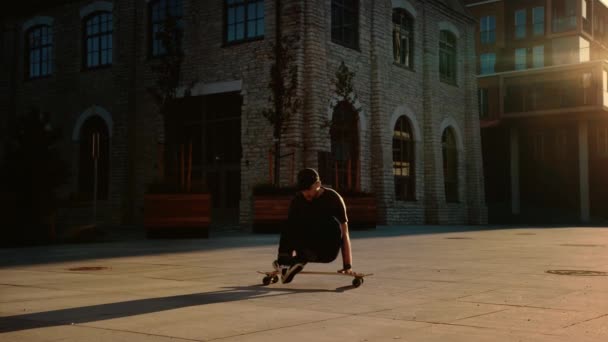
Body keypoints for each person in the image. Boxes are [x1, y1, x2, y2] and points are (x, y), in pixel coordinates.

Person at [273, 168, 353, 283]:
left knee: (331, 223)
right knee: (289, 223)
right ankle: (286, 263)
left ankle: (295, 262)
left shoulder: (333, 198)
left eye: (309, 190)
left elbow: (345, 233)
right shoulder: (297, 199)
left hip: (326, 250)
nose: (306, 194)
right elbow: (290, 231)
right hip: (306, 249)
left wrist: (347, 265)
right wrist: (287, 259)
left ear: (318, 184)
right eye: (303, 191)